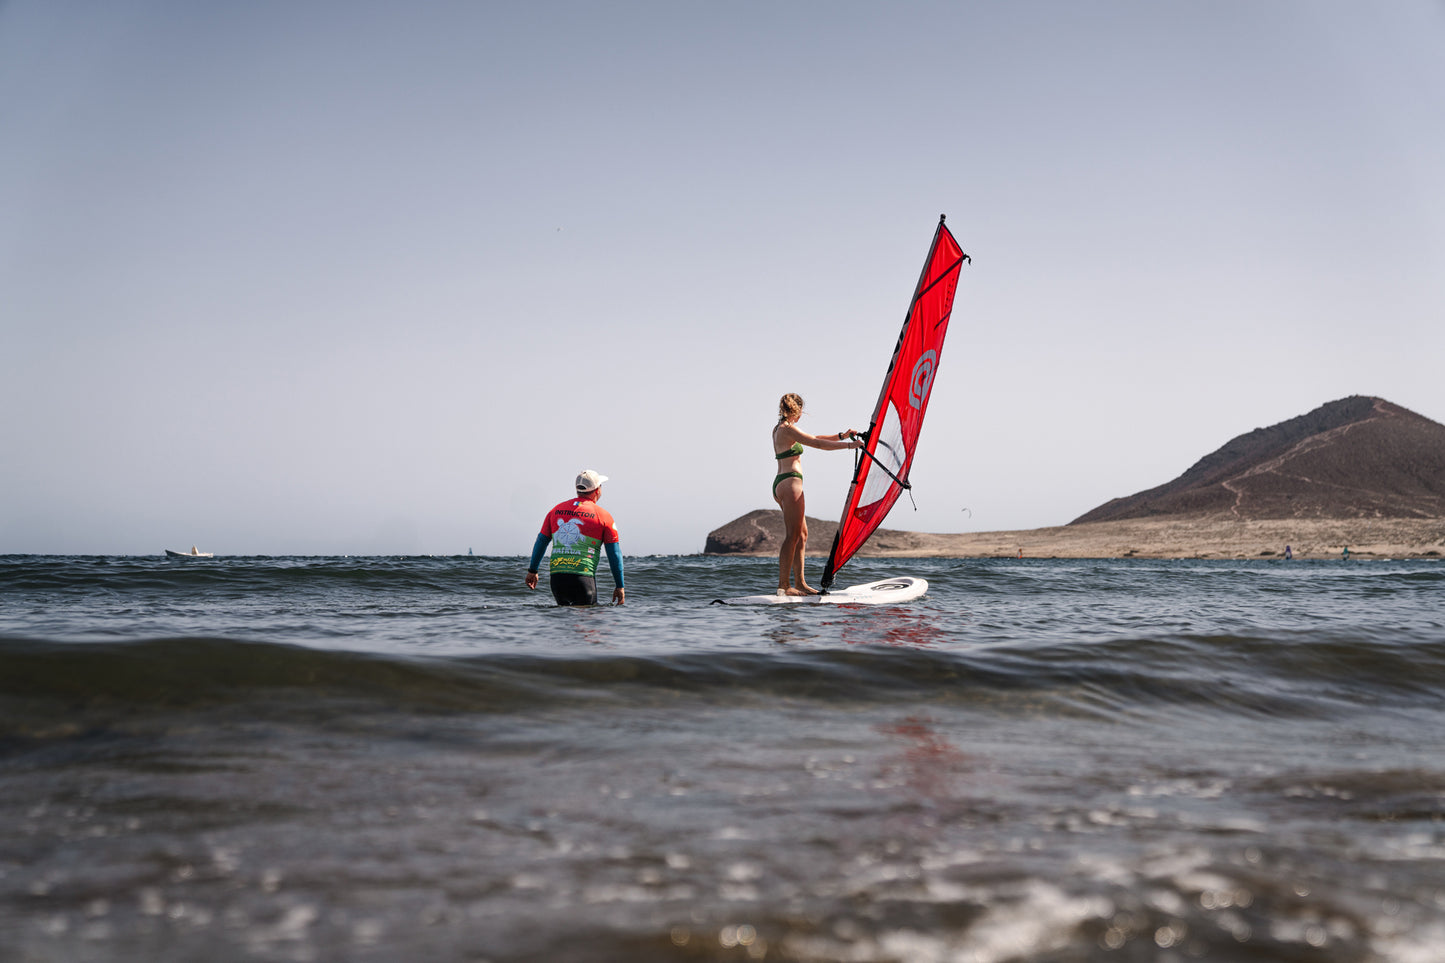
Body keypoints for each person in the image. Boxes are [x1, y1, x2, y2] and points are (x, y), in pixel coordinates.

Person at [772, 393, 863, 596]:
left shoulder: (781, 428)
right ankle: (784, 586)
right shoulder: (787, 429)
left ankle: (800, 583)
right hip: (791, 484)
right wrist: (850, 446)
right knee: (792, 535)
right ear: (798, 410)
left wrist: (841, 436)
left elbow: (816, 438)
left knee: (801, 534)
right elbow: (818, 444)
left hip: (782, 483)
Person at [525, 470, 625, 605]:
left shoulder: (555, 511)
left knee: (563, 622)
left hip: (557, 579)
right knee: (588, 623)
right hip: (583, 578)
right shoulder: (603, 516)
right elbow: (614, 554)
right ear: (597, 490)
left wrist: (533, 571)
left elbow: (541, 541)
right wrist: (620, 586)